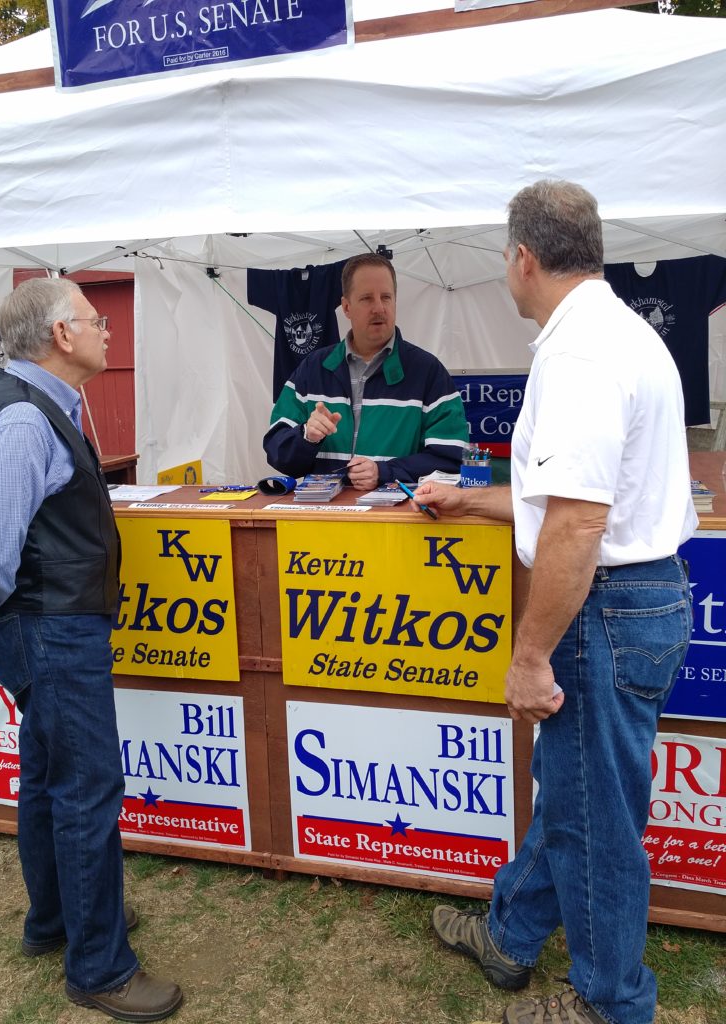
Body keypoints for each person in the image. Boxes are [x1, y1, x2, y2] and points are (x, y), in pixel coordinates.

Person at [415, 181, 696, 1024]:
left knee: (593, 823)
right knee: (577, 791)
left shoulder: (576, 354)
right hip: (634, 600)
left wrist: (531, 656)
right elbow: (569, 501)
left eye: (505, 259)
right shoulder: (619, 332)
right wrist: (471, 501)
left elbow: (577, 524)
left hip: (602, 608)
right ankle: (510, 935)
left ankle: (611, 1004)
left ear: (523, 258)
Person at [0, 278, 183, 1022]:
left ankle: (56, 921)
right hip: (49, 626)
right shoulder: (24, 421)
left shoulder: (39, 406)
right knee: (86, 790)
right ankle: (100, 967)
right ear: (60, 334)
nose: (107, 330)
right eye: (95, 319)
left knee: (51, 776)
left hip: (45, 623)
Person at [263, 253, 468, 491]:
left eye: (386, 297)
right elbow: (276, 450)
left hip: (395, 521)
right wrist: (307, 436)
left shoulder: (428, 372)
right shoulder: (313, 369)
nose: (379, 308)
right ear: (347, 307)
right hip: (324, 519)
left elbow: (452, 457)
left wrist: (384, 472)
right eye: (367, 299)